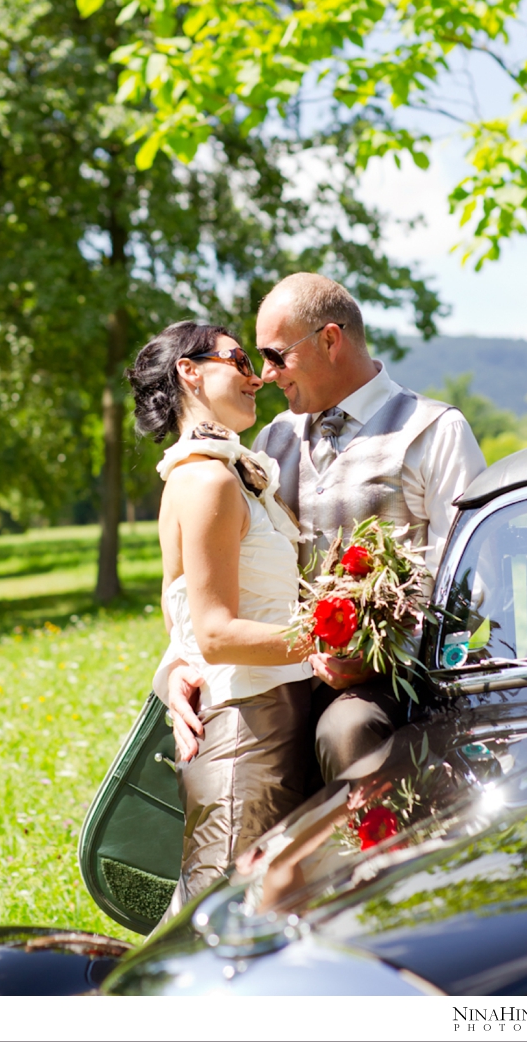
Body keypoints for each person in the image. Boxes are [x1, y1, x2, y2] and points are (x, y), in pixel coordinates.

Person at [167, 275, 486, 785]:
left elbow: (468, 583)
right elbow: (214, 571)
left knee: (346, 727)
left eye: (275, 355)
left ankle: (376, 864)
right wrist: (177, 666)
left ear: (330, 340)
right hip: (282, 673)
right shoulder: (272, 441)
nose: (266, 375)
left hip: (397, 680)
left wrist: (377, 653)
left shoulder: (435, 430)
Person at [126, 320, 314, 913]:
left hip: (270, 716)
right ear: (190, 370)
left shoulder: (226, 472)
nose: (256, 376)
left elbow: (173, 602)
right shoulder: (206, 479)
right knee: (219, 926)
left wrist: (173, 665)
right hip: (245, 732)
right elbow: (213, 631)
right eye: (238, 360)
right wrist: (340, 639)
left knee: (268, 918)